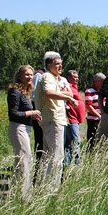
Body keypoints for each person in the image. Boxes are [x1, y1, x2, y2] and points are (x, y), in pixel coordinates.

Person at [34, 51, 78, 192]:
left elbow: (67, 92)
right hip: (53, 120)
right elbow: (48, 92)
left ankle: (42, 186)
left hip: (52, 120)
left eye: (61, 64)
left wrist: (68, 95)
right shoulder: (47, 76)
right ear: (48, 65)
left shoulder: (54, 78)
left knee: (47, 155)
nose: (60, 66)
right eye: (56, 64)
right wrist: (69, 98)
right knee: (56, 156)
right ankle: (52, 189)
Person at [7, 65, 42, 201]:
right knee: (25, 161)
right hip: (17, 128)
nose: (30, 77)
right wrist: (30, 113)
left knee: (21, 161)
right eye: (26, 74)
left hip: (23, 128)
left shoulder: (25, 92)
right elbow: (13, 113)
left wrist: (32, 115)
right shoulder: (14, 91)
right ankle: (25, 196)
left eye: (31, 74)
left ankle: (17, 193)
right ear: (19, 76)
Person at [63, 69, 85, 165]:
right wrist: (66, 107)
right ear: (68, 78)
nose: (76, 79)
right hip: (71, 119)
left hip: (76, 119)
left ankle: (67, 163)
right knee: (75, 142)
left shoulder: (74, 87)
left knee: (69, 142)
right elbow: (62, 98)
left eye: (77, 77)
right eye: (74, 77)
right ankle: (76, 163)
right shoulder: (67, 88)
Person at [30, 66, 45, 183]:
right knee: (40, 145)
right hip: (40, 117)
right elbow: (34, 96)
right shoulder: (39, 75)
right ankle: (37, 175)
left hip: (47, 117)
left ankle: (43, 175)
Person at [84, 72, 106, 149]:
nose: (103, 83)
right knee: (92, 140)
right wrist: (98, 115)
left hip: (103, 119)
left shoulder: (103, 91)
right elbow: (88, 106)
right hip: (93, 120)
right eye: (102, 81)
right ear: (97, 81)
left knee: (102, 140)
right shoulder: (89, 91)